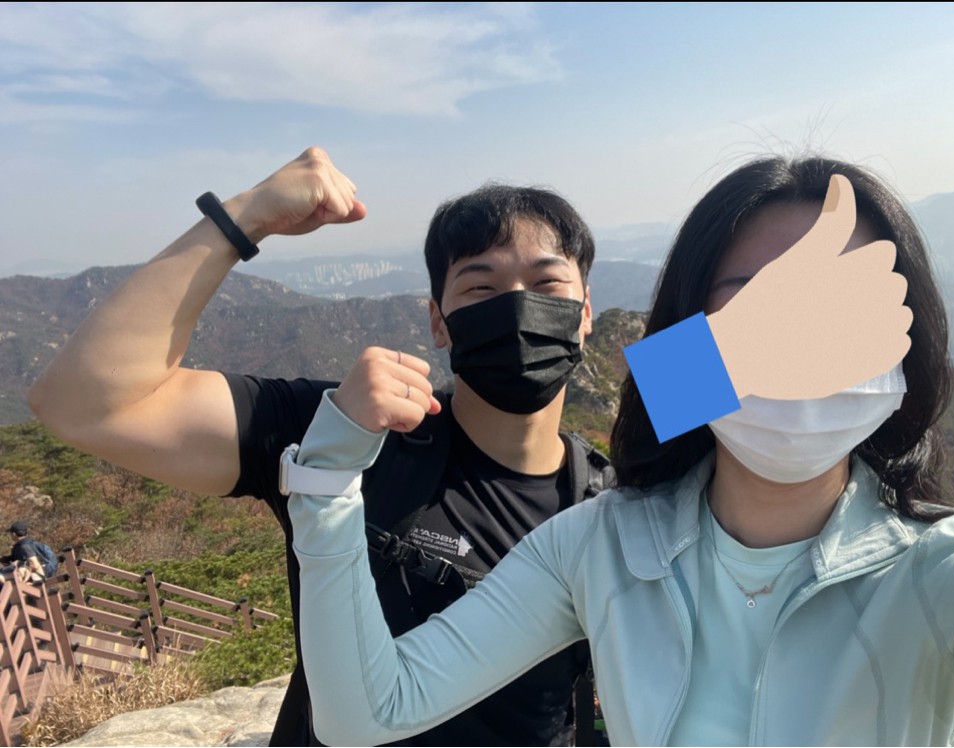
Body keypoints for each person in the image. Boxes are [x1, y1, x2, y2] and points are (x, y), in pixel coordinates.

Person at [286, 157, 954, 746]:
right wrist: (328, 473)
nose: (802, 344)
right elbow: (367, 713)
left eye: (840, 307)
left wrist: (723, 357)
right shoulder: (598, 546)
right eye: (753, 303)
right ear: (690, 326)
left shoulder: (942, 570)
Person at [28, 147, 615, 745]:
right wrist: (245, 216)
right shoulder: (345, 438)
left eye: (547, 283)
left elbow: (681, 380)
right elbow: (81, 402)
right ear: (438, 322)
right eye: (481, 287)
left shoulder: (616, 497)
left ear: (586, 311)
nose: (517, 308)